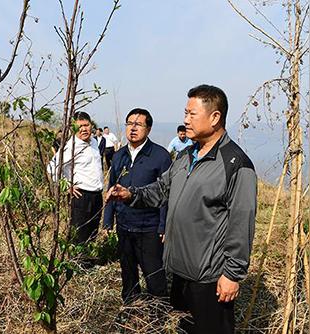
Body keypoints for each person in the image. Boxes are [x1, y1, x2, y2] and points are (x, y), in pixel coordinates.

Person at [106, 85, 257, 333]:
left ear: (215, 117)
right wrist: (131, 194)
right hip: (180, 271)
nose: (185, 120)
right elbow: (161, 190)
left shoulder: (235, 164)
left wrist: (232, 274)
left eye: (191, 114)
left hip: (209, 277)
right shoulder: (186, 156)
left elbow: (242, 224)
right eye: (185, 113)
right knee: (186, 327)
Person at [103, 108, 172, 303]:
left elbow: (166, 194)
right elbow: (112, 188)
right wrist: (108, 220)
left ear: (148, 129)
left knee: (154, 274)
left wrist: (163, 225)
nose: (133, 128)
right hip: (124, 225)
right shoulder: (119, 156)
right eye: (129, 123)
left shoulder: (160, 156)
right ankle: (131, 309)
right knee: (128, 272)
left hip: (149, 227)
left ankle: (158, 313)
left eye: (138, 124)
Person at [48, 112, 103, 246]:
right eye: (80, 126)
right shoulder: (70, 146)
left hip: (97, 195)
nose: (84, 129)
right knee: (79, 233)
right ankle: (78, 263)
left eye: (86, 125)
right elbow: (52, 167)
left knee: (92, 231)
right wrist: (66, 186)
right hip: (80, 196)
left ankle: (88, 263)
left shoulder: (94, 142)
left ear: (91, 125)